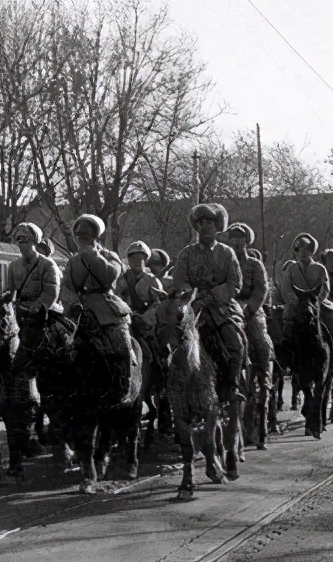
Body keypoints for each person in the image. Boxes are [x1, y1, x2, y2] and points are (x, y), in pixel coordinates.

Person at [172, 203, 245, 476]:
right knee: (174, 340)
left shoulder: (227, 253)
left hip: (221, 307)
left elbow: (234, 282)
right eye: (201, 222)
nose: (205, 226)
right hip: (192, 308)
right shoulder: (186, 254)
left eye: (210, 222)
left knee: (234, 341)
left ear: (218, 227)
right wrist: (190, 295)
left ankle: (232, 384)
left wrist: (214, 294)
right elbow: (178, 280)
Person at [5, 222, 62, 455]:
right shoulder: (14, 266)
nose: (22, 245)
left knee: (62, 355)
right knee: (12, 362)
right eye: (19, 241)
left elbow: (51, 293)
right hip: (23, 320)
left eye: (26, 240)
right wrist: (6, 306)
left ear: (35, 241)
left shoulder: (47, 264)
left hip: (47, 317)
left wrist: (35, 308)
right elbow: (10, 293)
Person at [59, 214, 137, 369]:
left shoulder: (109, 256)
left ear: (95, 235)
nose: (80, 238)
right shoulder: (73, 260)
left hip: (107, 310)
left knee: (122, 349)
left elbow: (109, 277)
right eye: (78, 234)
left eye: (85, 234)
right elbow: (67, 287)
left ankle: (125, 387)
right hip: (79, 310)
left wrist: (90, 253)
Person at [226, 222, 274, 450]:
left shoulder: (255, 265)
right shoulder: (224, 262)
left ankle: (264, 374)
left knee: (258, 339)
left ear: (246, 242)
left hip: (250, 311)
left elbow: (261, 290)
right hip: (227, 309)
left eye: (240, 239)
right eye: (233, 239)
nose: (236, 243)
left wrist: (250, 309)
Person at [278, 234, 333, 365]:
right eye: (300, 250)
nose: (303, 253)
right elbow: (286, 288)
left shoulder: (319, 269)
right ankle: (283, 361)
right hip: (296, 306)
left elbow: (325, 289)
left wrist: (315, 301)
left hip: (318, 305)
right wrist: (295, 302)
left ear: (311, 251)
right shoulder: (291, 269)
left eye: (306, 250)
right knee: (284, 330)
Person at [116, 241, 163, 315]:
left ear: (145, 260)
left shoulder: (152, 280)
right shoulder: (122, 278)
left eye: (140, 259)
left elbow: (158, 304)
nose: (137, 262)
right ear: (129, 260)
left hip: (145, 319)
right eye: (134, 258)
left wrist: (145, 317)